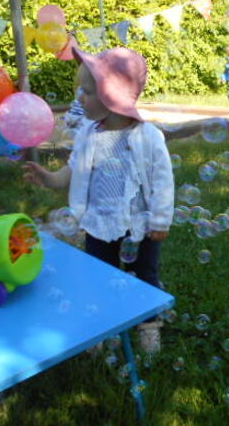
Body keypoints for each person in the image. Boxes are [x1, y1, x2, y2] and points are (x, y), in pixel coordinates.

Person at [23, 46, 174, 354]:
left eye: (88, 91)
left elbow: (162, 181)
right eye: (81, 89)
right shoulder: (88, 134)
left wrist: (160, 220)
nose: (80, 97)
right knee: (98, 276)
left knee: (144, 276)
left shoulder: (148, 136)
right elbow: (73, 170)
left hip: (140, 226)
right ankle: (105, 326)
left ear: (112, 96)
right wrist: (50, 179)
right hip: (97, 224)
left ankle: (148, 324)